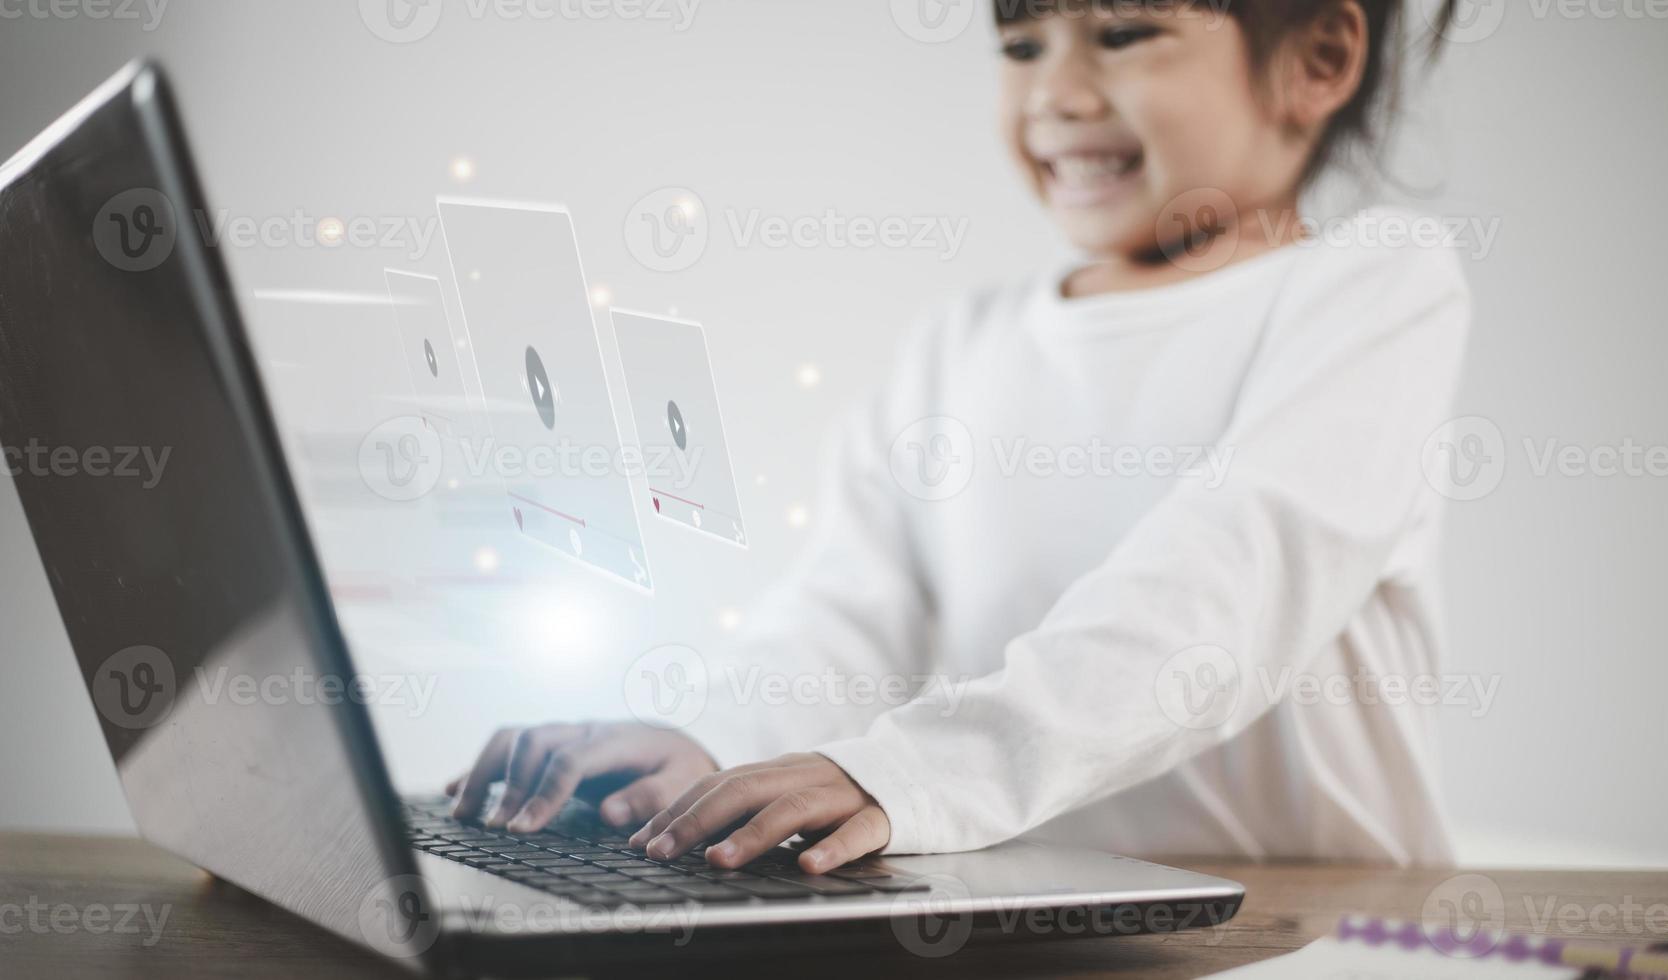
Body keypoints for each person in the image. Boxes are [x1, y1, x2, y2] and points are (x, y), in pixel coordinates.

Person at [448, 0, 1470, 877]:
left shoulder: (1373, 283)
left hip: (1320, 926)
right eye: (1021, 45)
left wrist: (913, 770)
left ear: (1317, 60)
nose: (1055, 95)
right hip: (1048, 912)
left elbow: (1220, 582)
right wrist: (704, 741)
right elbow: (843, 616)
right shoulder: (959, 342)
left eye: (1120, 31)